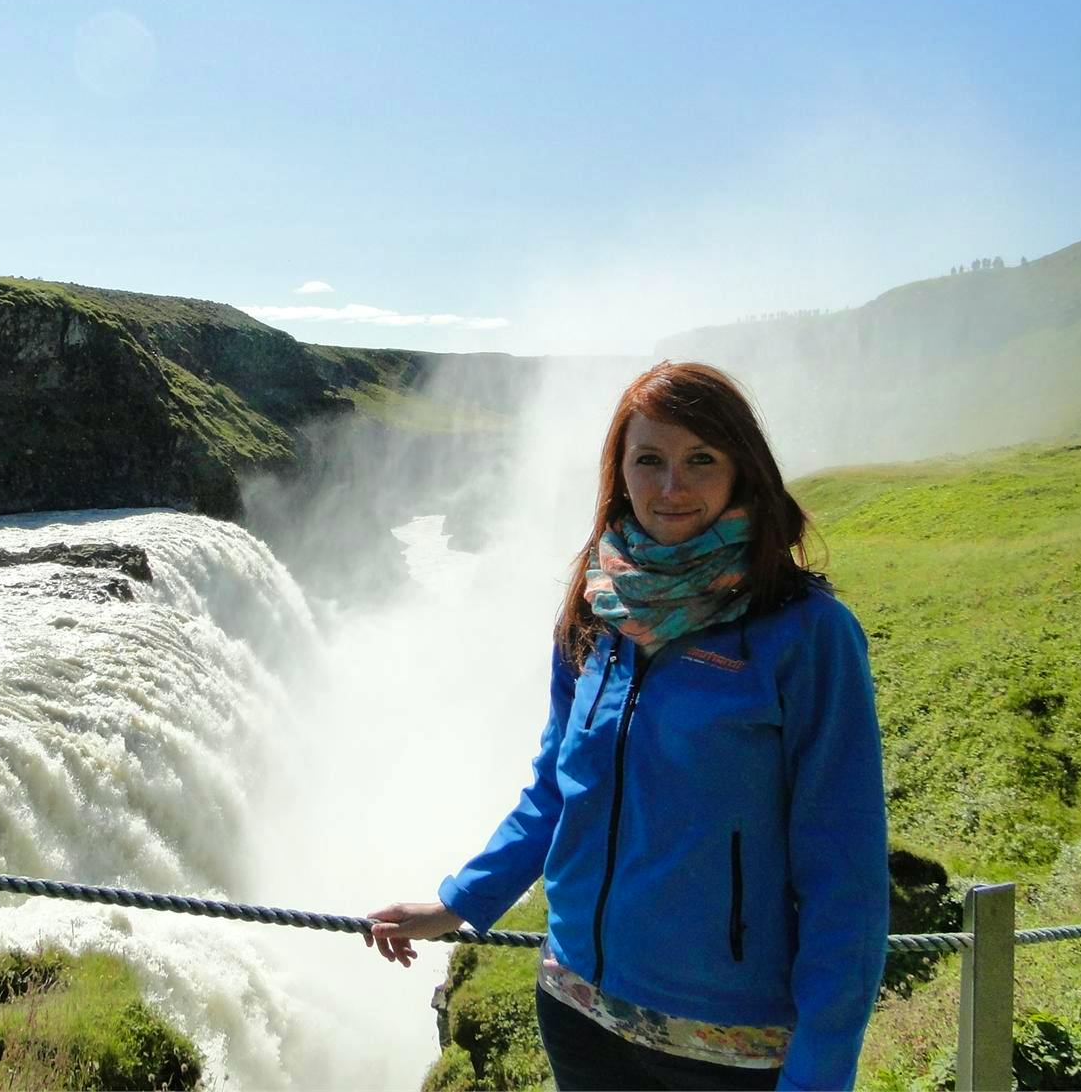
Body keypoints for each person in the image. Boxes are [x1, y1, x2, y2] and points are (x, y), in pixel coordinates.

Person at [366, 361, 888, 1092]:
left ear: (742, 469)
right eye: (649, 460)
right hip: (578, 1009)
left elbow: (846, 874)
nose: (672, 487)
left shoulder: (806, 633)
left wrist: (819, 1076)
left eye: (701, 459)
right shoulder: (598, 607)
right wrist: (459, 901)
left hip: (727, 1042)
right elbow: (558, 790)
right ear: (620, 472)